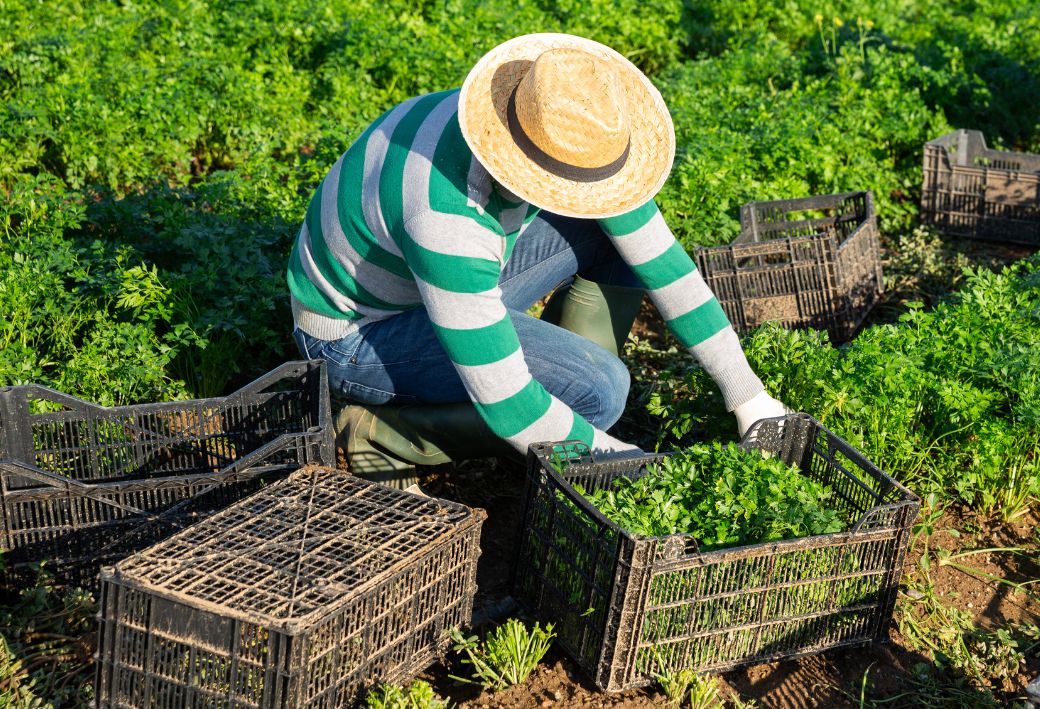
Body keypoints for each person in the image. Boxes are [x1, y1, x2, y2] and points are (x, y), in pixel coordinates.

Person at [287, 33, 788, 482]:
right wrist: (638, 470)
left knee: (614, 242)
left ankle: (566, 404)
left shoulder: (540, 127)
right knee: (599, 391)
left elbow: (663, 263)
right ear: (530, 164)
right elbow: (511, 408)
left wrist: (750, 397)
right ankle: (380, 434)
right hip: (359, 336)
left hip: (431, 281)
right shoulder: (447, 219)